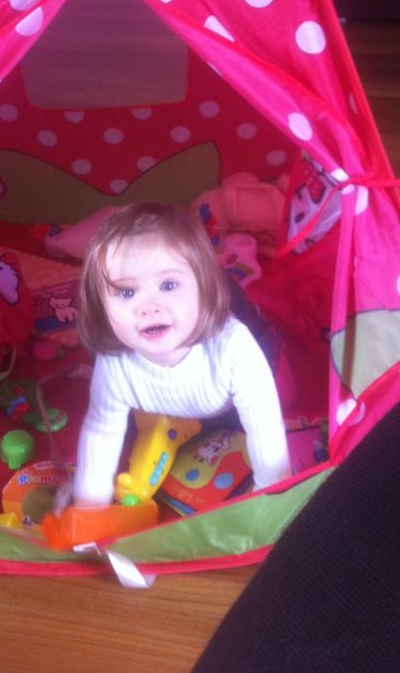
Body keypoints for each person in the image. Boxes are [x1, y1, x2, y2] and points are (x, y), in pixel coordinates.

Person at [65, 202, 291, 507]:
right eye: (127, 292)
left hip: (224, 401)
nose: (149, 307)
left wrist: (271, 497)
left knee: (277, 393)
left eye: (168, 285)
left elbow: (265, 426)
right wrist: (89, 506)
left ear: (202, 288)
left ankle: (221, 296)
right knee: (124, 424)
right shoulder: (115, 361)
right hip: (162, 405)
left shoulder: (233, 346)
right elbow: (101, 430)